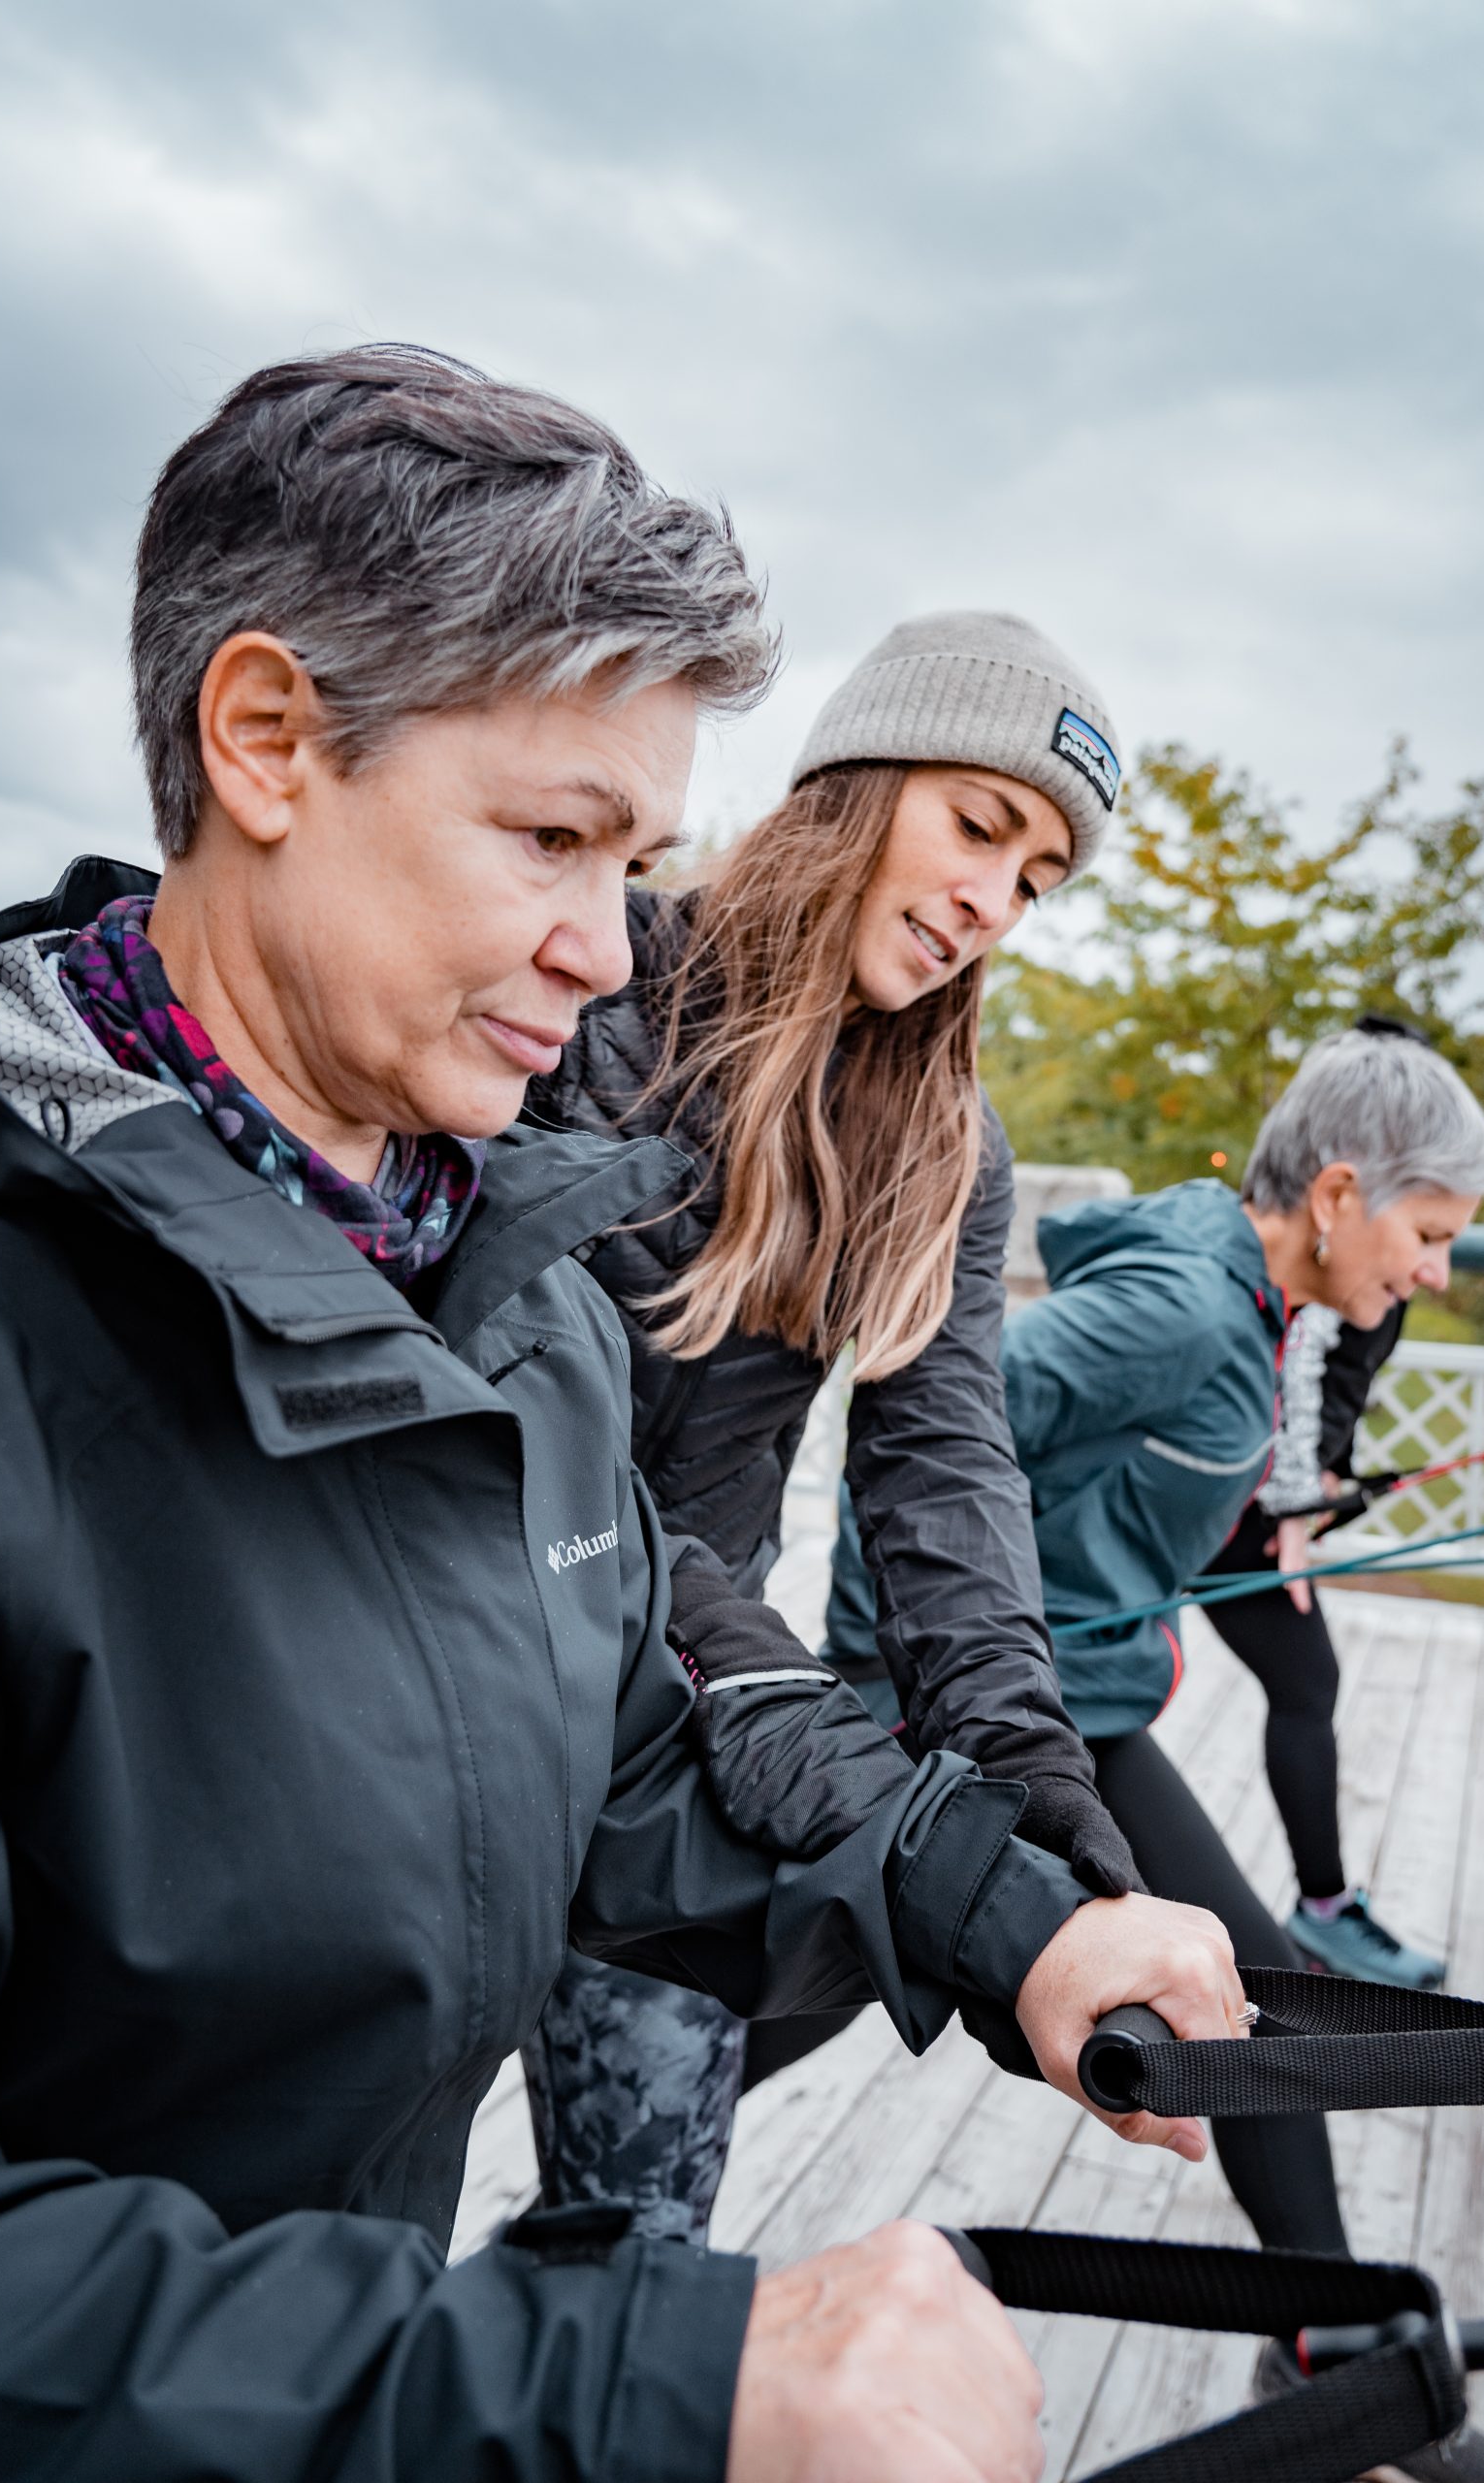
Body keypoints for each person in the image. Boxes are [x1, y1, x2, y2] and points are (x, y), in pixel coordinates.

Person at [0, 346, 1247, 2483]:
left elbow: (654, 1671)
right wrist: (634, 2378)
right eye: (554, 837)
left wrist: (1021, 1893)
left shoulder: (501, 1281)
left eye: (630, 849)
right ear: (265, 738)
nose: (588, 946)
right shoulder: (101, 1309)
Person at [521, 610, 1157, 2241]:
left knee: (636, 2261)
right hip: (455, 1663)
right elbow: (547, 1462)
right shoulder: (581, 997)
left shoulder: (943, 1145)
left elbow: (944, 1468)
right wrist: (793, 1717)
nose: (989, 902)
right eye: (975, 826)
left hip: (660, 1766)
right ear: (854, 786)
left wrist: (1025, 1763)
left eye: (1033, 878)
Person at [828, 1029, 1484, 2482]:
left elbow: (1102, 1480)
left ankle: (1322, 2339)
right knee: (1243, 1992)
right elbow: (928, 1434)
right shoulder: (1180, 1310)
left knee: (803, 1976)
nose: (1437, 1275)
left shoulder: (1252, 1308)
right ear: (1336, 1194)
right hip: (1002, 1714)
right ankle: (1330, 2348)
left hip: (1067, 1703)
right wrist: (872, 1685)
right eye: (1428, 1234)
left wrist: (1238, 1532)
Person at [1200, 1016, 1441, 1987]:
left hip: (1270, 1495)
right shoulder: (1306, 1230)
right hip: (1228, 1501)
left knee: (1304, 1683)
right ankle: (1324, 1909)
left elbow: (1334, 1391)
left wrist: (1327, 1486)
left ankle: (1325, 1905)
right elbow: (1289, 1356)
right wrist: (1297, 1504)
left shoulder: (1392, 1244)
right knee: (1303, 1683)